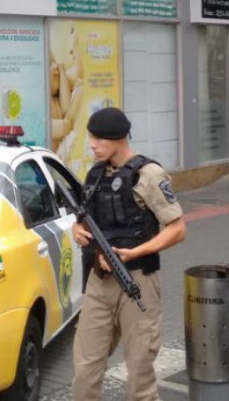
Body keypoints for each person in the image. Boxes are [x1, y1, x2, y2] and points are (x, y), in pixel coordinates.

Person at [71, 107, 186, 401]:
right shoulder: (96, 174)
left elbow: (177, 229)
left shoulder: (149, 174)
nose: (92, 145)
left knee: (140, 372)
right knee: (85, 370)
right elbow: (86, 218)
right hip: (99, 282)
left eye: (98, 139)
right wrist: (77, 228)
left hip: (137, 282)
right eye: (91, 138)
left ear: (118, 139)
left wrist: (135, 252)